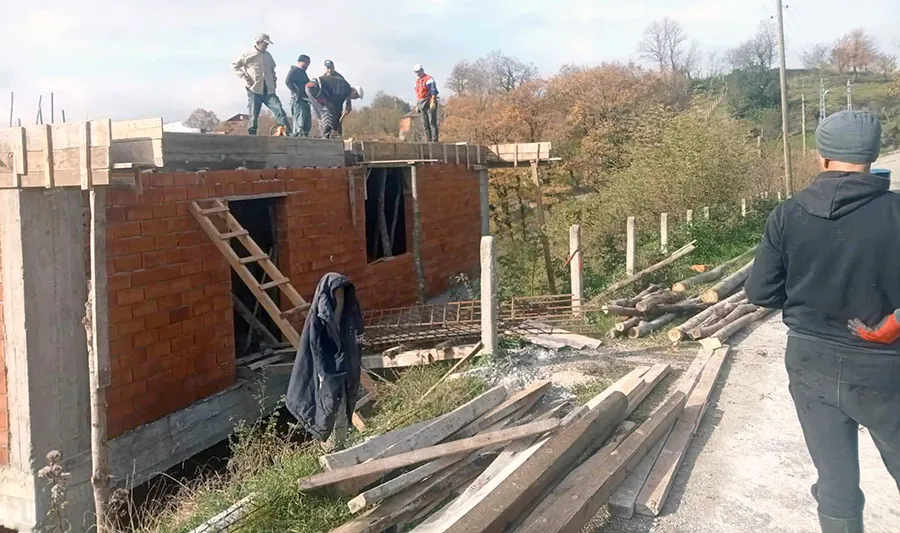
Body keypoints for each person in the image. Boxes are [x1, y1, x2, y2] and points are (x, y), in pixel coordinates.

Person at [745, 110, 900, 533]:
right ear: (872, 156)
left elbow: (760, 293)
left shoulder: (786, 214)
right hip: (884, 365)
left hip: (810, 361)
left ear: (821, 156)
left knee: (835, 482)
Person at [231, 33, 290, 136]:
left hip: (269, 90)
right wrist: (246, 78)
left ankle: (287, 132)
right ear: (258, 43)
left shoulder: (268, 56)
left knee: (279, 110)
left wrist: (274, 81)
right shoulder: (248, 53)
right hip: (254, 90)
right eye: (265, 44)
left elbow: (272, 70)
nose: (266, 46)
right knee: (253, 116)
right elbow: (234, 65)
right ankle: (252, 137)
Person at [286, 54, 312, 137]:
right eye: (305, 63)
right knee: (299, 125)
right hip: (298, 101)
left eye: (308, 63)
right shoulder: (294, 71)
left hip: (306, 101)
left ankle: (304, 138)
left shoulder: (303, 73)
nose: (306, 65)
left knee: (307, 124)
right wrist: (296, 92)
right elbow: (288, 81)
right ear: (299, 62)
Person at [414, 64, 439, 142]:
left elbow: (433, 91)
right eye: (416, 72)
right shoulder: (417, 82)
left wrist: (433, 101)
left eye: (418, 71)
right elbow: (418, 94)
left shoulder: (429, 79)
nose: (417, 73)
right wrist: (417, 105)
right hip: (421, 103)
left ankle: (434, 140)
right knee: (425, 124)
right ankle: (429, 139)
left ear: (422, 70)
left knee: (432, 122)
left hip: (429, 102)